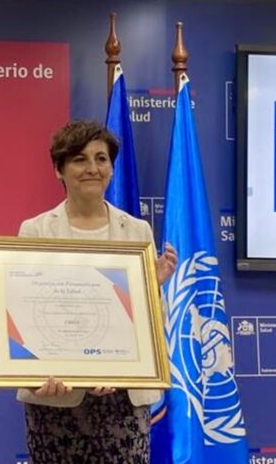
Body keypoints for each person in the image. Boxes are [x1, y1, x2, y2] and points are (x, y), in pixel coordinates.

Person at [16, 120, 177, 463]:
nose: (93, 168)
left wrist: (151, 287)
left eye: (101, 159)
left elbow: (152, 321)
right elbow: (27, 315)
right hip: (56, 396)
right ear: (59, 169)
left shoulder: (136, 231)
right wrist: (33, 373)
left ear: (111, 168)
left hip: (124, 398)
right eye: (79, 159)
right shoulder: (36, 230)